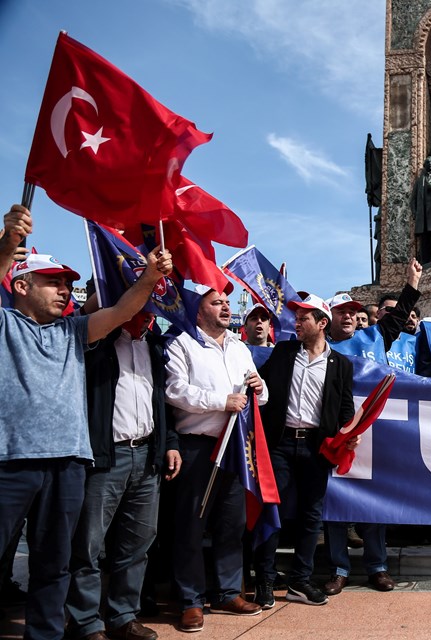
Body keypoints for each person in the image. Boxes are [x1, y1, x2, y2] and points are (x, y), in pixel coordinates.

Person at [0, 205, 173, 640]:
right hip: (11, 463)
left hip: (69, 464)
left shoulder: (73, 331)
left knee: (54, 561)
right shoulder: (3, 324)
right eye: (53, 282)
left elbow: (119, 311)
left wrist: (149, 279)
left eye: (68, 284)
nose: (65, 291)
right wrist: (6, 245)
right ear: (21, 285)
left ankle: (45, 634)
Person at [65, 308, 180, 640]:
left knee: (137, 544)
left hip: (147, 457)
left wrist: (169, 442)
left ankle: (123, 616)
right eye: (139, 308)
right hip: (106, 457)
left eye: (149, 312)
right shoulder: (98, 344)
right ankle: (85, 622)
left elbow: (162, 401)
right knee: (88, 544)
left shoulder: (156, 347)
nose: (146, 317)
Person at [165, 285, 268, 632]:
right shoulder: (182, 343)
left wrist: (259, 387)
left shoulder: (240, 347)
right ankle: (190, 600)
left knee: (231, 522)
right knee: (191, 524)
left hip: (237, 446)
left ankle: (227, 590)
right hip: (198, 446)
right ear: (198, 309)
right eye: (217, 302)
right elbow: (174, 390)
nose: (225, 307)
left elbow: (262, 395)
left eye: (227, 302)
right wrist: (219, 401)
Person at [322, 258, 422, 597]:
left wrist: (412, 282)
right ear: (328, 320)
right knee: (336, 505)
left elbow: (400, 313)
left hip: (374, 434)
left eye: (352, 311)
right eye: (341, 312)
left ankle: (377, 567)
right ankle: (338, 568)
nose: (348, 316)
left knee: (372, 504)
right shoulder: (321, 350)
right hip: (336, 436)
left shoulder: (376, 335)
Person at [254, 294, 357, 608]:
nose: (297, 323)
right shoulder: (284, 352)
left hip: (316, 448)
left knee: (311, 516)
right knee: (272, 511)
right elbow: (263, 388)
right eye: (296, 318)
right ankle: (264, 581)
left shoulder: (341, 364)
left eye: (303, 319)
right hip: (280, 444)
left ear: (322, 323)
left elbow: (345, 410)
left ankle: (300, 580)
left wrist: (350, 436)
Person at [242, 303, 274, 367]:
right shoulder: (235, 349)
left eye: (263, 319)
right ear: (245, 327)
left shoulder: (278, 353)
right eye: (254, 318)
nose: (259, 321)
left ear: (269, 327)